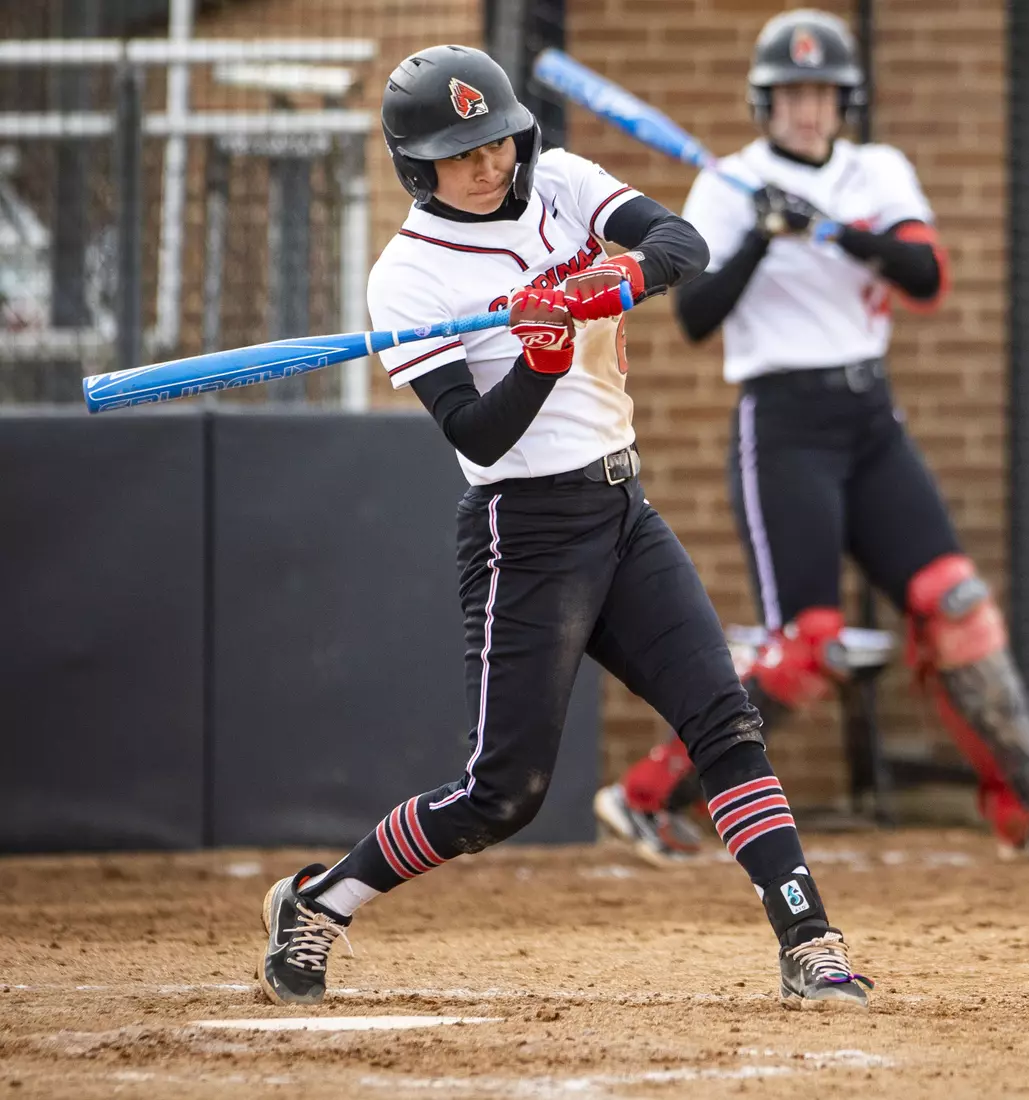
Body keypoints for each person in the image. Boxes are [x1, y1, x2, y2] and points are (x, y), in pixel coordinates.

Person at [254, 45, 873, 1011]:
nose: (490, 163)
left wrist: (607, 283)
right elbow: (479, 437)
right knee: (503, 793)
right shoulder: (408, 280)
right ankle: (320, 902)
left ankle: (810, 939)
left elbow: (681, 245)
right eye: (462, 154)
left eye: (497, 140)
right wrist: (538, 355)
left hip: (624, 509)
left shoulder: (564, 184)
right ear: (418, 167)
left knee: (726, 722)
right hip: (525, 532)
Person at [593, 10, 1029, 866]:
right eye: (791, 94)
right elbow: (694, 316)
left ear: (844, 101)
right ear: (767, 102)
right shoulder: (730, 185)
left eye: (822, 93)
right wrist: (764, 232)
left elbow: (926, 275)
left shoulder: (877, 171)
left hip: (871, 417)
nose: (807, 110)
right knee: (807, 649)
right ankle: (646, 799)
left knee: (958, 608)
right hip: (784, 422)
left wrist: (831, 226)